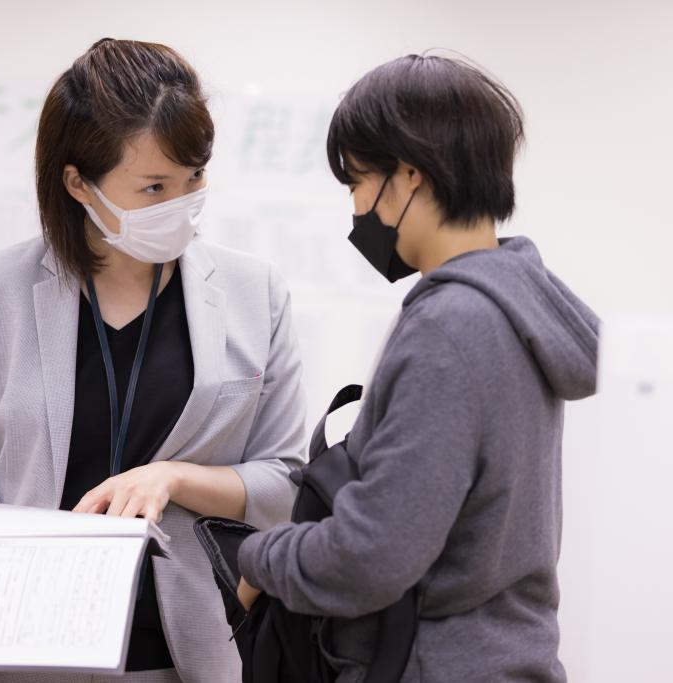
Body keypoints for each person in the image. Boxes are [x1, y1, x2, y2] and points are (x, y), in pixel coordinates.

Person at [0, 38, 306, 683]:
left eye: (195, 178)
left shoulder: (255, 292)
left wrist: (172, 478)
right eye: (154, 186)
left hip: (188, 652)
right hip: (24, 649)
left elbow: (286, 482)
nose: (183, 202)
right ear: (78, 181)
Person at [236, 54, 600, 682]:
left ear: (407, 177)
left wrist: (256, 556)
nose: (355, 207)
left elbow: (370, 557)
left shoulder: (449, 327)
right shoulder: (517, 308)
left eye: (356, 183)